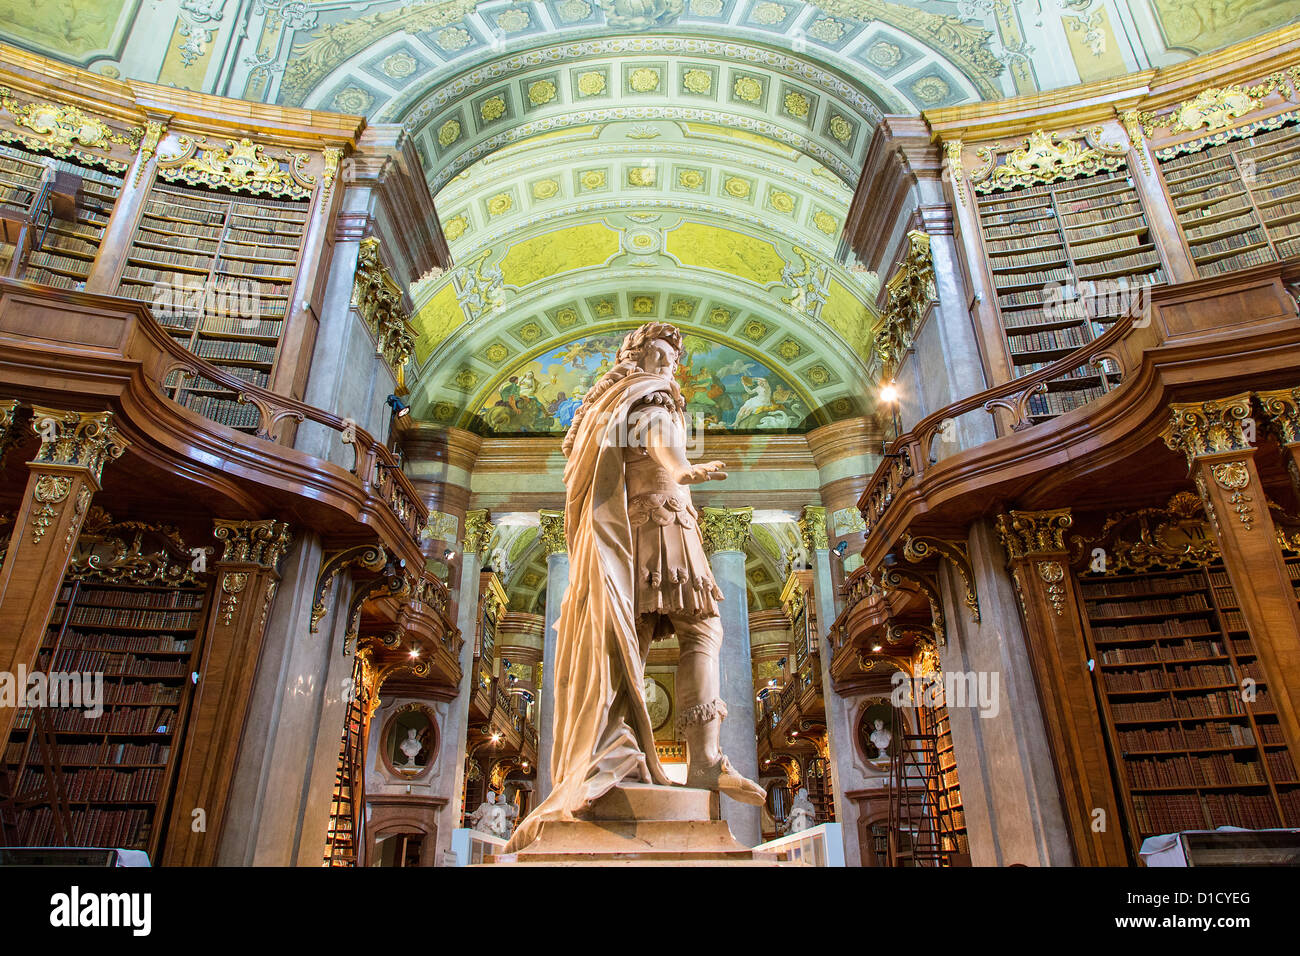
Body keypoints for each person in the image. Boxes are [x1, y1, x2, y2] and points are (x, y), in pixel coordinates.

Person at [504, 322, 764, 854]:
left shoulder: (615, 406)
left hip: (643, 531)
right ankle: (704, 761)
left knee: (635, 640)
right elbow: (658, 442)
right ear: (639, 356)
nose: (668, 364)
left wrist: (681, 469)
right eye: (659, 353)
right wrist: (686, 468)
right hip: (661, 528)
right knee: (697, 630)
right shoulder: (648, 400)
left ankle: (615, 749)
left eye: (672, 356)